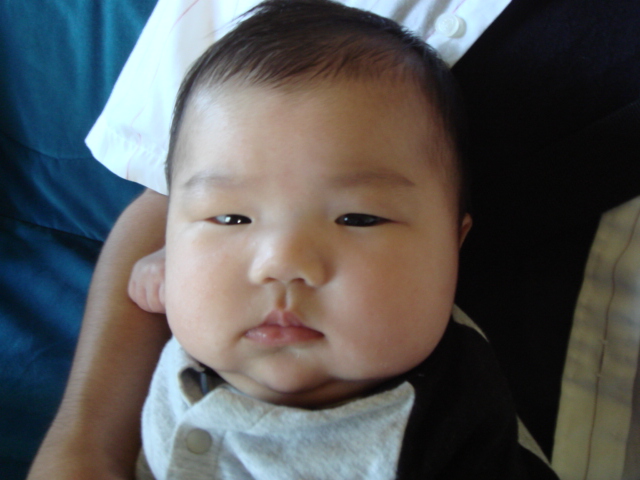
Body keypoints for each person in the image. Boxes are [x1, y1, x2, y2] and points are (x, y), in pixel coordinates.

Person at [28, 0, 640, 479]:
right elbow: (165, 194)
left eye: (359, 219)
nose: (282, 262)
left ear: (455, 246)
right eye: (233, 220)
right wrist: (181, 258)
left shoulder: (450, 438)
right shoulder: (199, 300)